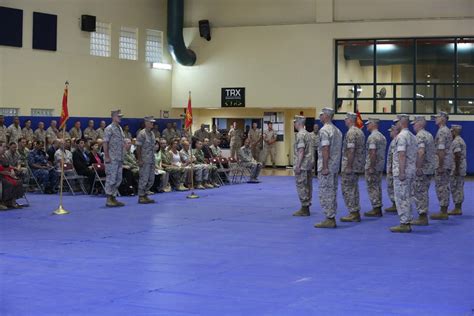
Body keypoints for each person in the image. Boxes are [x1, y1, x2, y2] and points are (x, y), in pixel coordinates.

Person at [314, 108, 342, 228]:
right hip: (335, 166)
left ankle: (329, 218)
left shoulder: (324, 130)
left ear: (326, 116)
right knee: (332, 191)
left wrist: (325, 167)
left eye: (321, 115)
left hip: (327, 167)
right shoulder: (337, 130)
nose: (320, 117)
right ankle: (331, 217)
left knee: (326, 192)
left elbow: (325, 149)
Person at [390, 114, 417, 233]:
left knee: (401, 197)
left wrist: (401, 172)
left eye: (397, 122)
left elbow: (401, 154)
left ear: (401, 122)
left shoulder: (401, 137)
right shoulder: (412, 136)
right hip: (411, 170)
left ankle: (404, 223)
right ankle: (407, 220)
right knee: (408, 196)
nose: (396, 125)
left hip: (403, 171)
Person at [340, 112, 366, 223]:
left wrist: (349, 166)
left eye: (346, 119)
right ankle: (355, 212)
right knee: (353, 188)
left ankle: (353, 213)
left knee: (348, 189)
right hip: (358, 164)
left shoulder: (351, 133)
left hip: (351, 165)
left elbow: (351, 150)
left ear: (350, 120)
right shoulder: (360, 132)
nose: (345, 121)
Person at [411, 116, 435, 225]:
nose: (413, 126)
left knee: (420, 192)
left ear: (420, 124)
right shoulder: (429, 134)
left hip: (423, 169)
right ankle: (423, 215)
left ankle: (422, 216)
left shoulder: (420, 136)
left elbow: (421, 152)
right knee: (423, 192)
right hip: (429, 168)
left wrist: (418, 167)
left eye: (414, 123)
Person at [430, 111, 453, 220]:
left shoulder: (442, 132)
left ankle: (443, 211)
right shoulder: (444, 130)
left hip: (442, 163)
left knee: (441, 186)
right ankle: (443, 210)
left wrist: (440, 165)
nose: (435, 119)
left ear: (443, 118)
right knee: (443, 186)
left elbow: (441, 150)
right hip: (445, 163)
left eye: (437, 117)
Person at [364, 118, 387, 218]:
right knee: (377, 186)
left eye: (368, 124)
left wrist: (371, 166)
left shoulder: (372, 137)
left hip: (373, 166)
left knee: (372, 187)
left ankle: (376, 208)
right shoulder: (382, 136)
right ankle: (377, 207)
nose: (367, 125)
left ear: (373, 124)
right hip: (380, 165)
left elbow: (372, 153)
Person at [292, 115, 314, 217]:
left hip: (302, 165)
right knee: (308, 185)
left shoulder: (300, 135)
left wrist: (298, 165)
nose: (294, 124)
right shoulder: (308, 134)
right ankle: (307, 205)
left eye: (295, 122)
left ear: (299, 123)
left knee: (302, 185)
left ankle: (304, 208)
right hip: (308, 164)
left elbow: (301, 151)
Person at [103, 110, 126, 207]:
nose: (120, 117)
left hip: (119, 158)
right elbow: (105, 142)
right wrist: (107, 156)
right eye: (118, 116)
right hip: (112, 158)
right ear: (113, 117)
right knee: (111, 179)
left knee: (118, 179)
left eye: (120, 116)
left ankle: (113, 197)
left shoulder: (119, 128)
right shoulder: (109, 128)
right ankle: (109, 199)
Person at [136, 116, 156, 204]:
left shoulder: (152, 134)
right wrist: (139, 159)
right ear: (146, 123)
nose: (152, 124)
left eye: (153, 122)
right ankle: (141, 196)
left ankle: (145, 194)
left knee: (151, 179)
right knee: (144, 178)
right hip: (144, 160)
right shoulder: (142, 134)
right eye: (151, 122)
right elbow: (138, 147)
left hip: (151, 159)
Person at [0, 141, 24, 209]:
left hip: (6, 174)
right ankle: (3, 202)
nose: (5, 148)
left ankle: (12, 201)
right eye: (3, 147)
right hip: (1, 175)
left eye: (5, 147)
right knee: (8, 183)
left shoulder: (3, 156)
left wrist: (12, 171)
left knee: (18, 182)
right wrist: (7, 173)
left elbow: (8, 165)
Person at [448, 125, 466, 216]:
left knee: (456, 187)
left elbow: (457, 155)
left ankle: (457, 208)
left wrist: (456, 169)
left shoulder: (456, 142)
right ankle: (458, 207)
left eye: (451, 132)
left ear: (454, 131)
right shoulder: (460, 140)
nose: (451, 133)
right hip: (460, 167)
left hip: (457, 168)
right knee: (459, 187)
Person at [385, 123, 400, 214]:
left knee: (393, 187)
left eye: (391, 131)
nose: (390, 133)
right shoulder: (394, 141)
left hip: (393, 169)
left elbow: (394, 156)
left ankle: (396, 204)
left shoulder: (395, 141)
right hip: (393, 168)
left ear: (395, 131)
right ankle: (395, 204)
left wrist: (390, 169)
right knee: (392, 187)